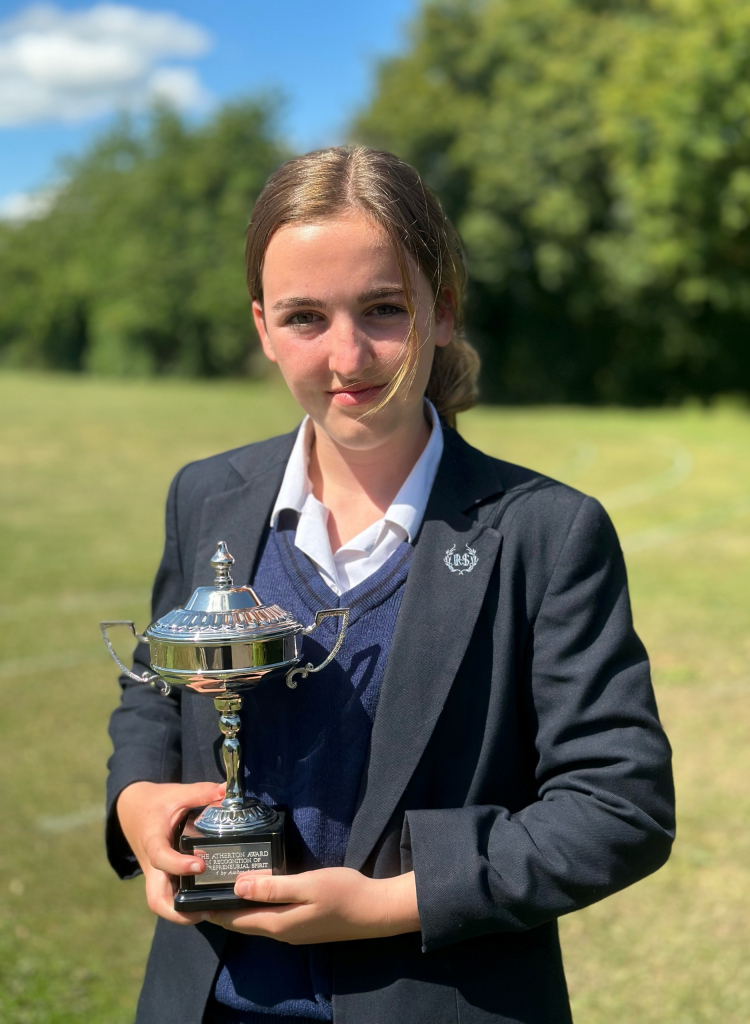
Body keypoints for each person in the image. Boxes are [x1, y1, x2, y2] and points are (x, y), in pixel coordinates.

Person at [106, 146, 675, 1024]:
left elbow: (619, 807)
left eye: (383, 309)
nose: (348, 356)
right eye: (304, 317)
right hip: (208, 1000)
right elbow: (157, 689)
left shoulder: (547, 532)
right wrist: (137, 797)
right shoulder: (207, 496)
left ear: (442, 310)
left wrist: (388, 903)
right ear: (262, 328)